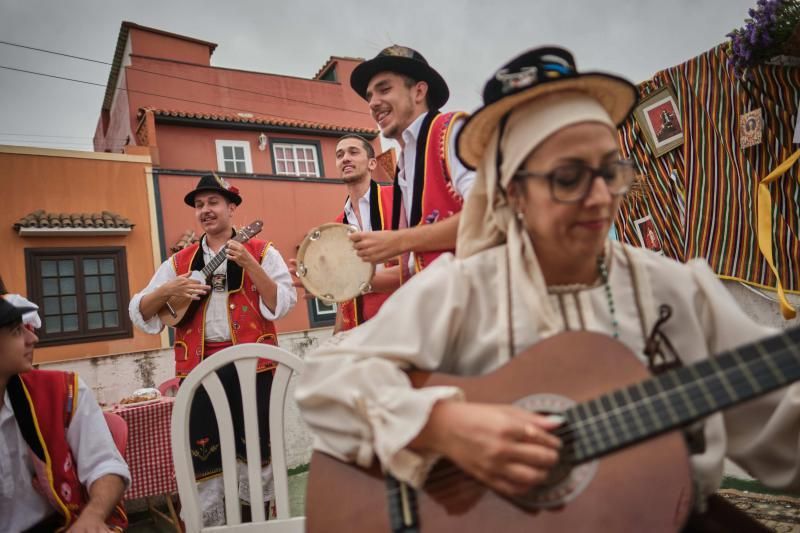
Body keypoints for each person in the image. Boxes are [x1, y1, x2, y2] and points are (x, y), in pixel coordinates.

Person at [296, 46, 800, 527]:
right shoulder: (467, 290)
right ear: (513, 190)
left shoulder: (675, 292)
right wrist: (442, 426)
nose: (600, 196)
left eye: (610, 170)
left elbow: (781, 423)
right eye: (567, 177)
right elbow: (325, 380)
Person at [129, 173, 297, 526]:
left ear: (232, 208)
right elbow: (140, 312)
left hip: (255, 370)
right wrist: (167, 290)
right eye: (199, 205)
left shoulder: (263, 252)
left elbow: (281, 303)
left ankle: (259, 527)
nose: (205, 210)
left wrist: (249, 264)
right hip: (198, 372)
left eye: (213, 202)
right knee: (203, 456)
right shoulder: (178, 263)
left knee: (257, 453)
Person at [0, 291, 130, 532]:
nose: (33, 339)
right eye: (17, 331)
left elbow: (105, 464)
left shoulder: (63, 391)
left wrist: (93, 515)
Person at [347, 45, 476, 282]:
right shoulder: (405, 163)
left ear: (419, 92)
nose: (373, 103)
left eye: (384, 89)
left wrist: (399, 240)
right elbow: (412, 268)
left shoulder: (452, 131)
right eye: (369, 96)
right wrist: (337, 280)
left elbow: (489, 215)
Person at [332, 134, 399, 331]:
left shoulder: (397, 198)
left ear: (372, 164)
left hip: (405, 316)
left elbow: (417, 263)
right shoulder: (336, 225)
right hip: (361, 327)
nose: (345, 158)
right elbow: (342, 294)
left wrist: (358, 282)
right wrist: (336, 335)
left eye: (353, 152)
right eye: (340, 155)